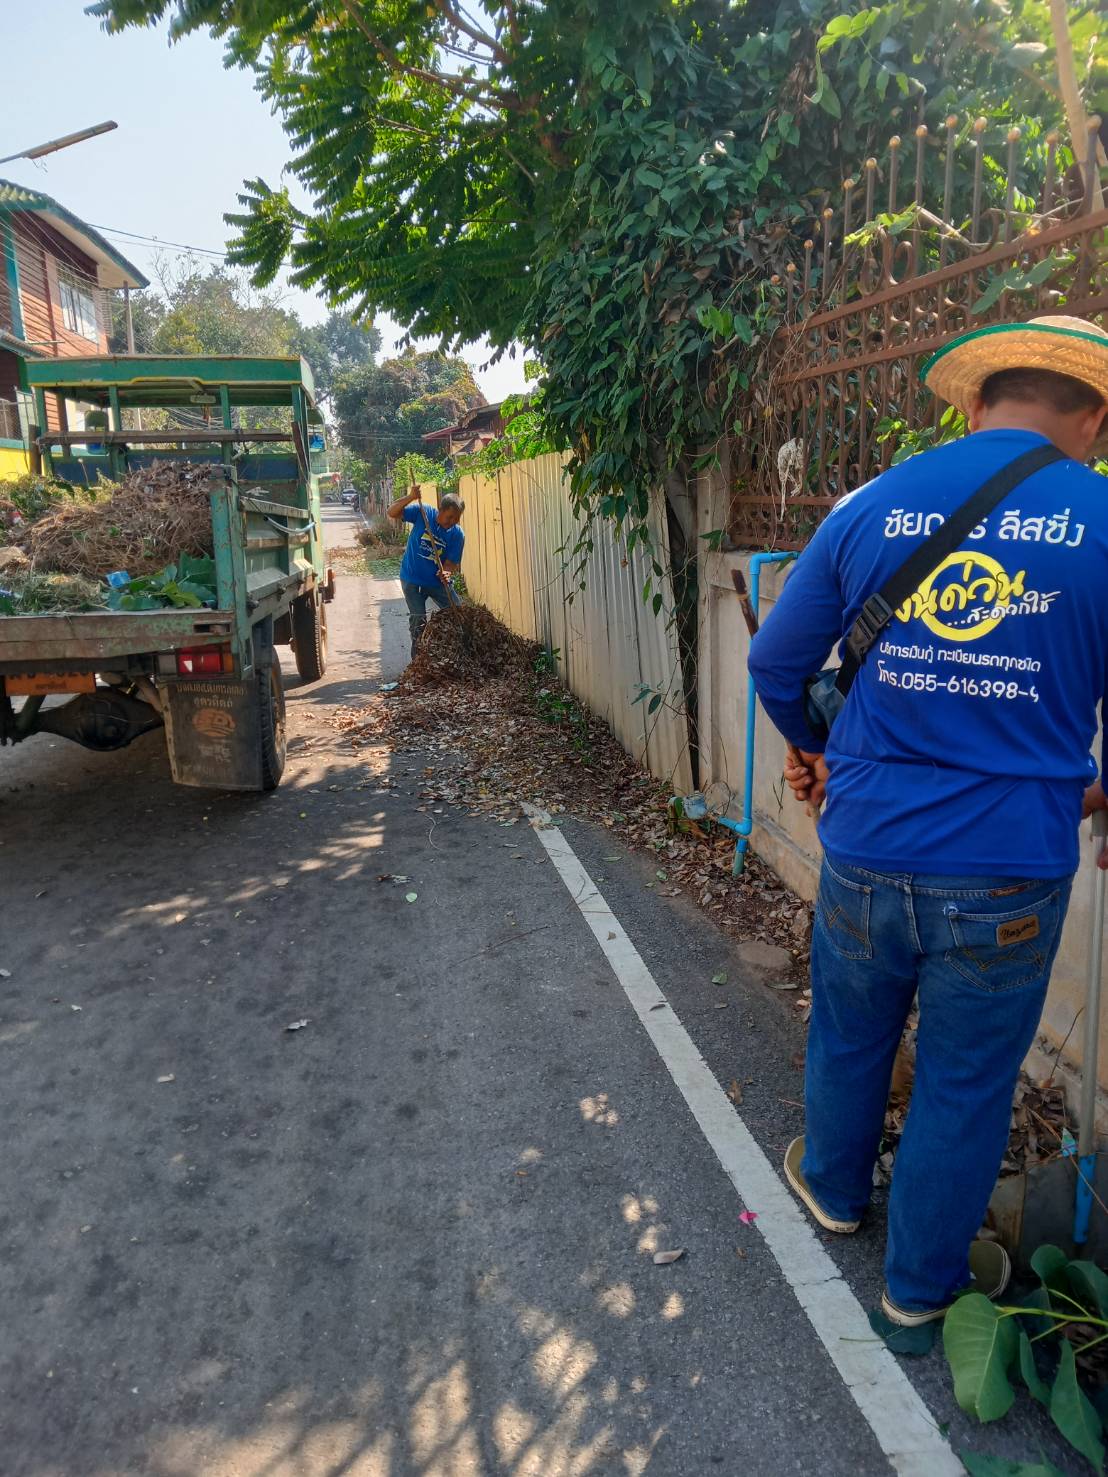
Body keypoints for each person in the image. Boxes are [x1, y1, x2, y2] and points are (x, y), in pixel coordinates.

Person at [747, 314, 1108, 1327]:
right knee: (965, 1081)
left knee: (851, 1031)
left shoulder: (873, 502)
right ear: (1092, 418)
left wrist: (814, 749)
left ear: (978, 403)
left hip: (866, 844)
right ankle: (917, 1291)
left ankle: (832, 1189)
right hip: (1009, 866)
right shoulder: (1101, 519)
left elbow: (776, 661)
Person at [388, 487, 466, 660]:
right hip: (412, 580)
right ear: (440, 509)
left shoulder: (457, 535)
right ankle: (418, 661)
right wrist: (411, 497)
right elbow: (392, 512)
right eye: (449, 517)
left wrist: (446, 573)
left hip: (436, 583)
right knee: (418, 620)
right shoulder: (423, 513)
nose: (452, 521)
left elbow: (450, 563)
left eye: (457, 518)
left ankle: (457, 653)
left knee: (458, 613)